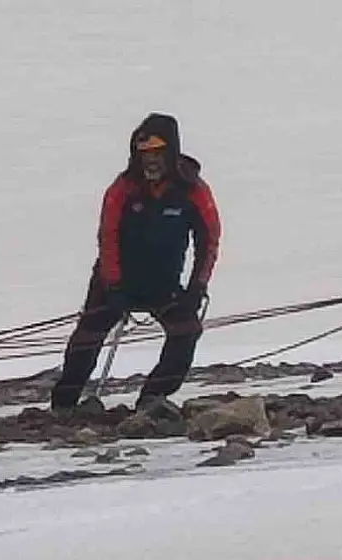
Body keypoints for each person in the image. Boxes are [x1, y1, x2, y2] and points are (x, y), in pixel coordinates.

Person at [50, 113, 222, 414]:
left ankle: (152, 400)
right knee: (86, 340)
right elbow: (108, 236)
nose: (151, 162)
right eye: (144, 155)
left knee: (186, 332)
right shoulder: (123, 188)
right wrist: (114, 285)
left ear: (171, 153)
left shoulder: (193, 190)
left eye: (157, 154)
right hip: (113, 282)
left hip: (164, 284)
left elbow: (209, 240)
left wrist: (198, 285)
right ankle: (64, 404)